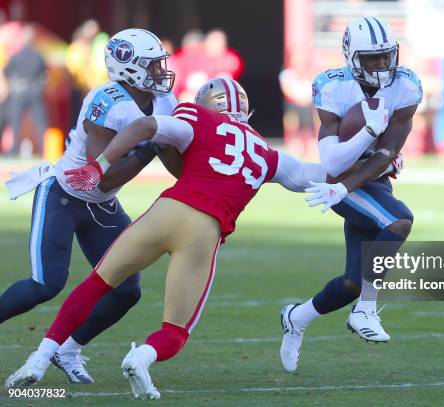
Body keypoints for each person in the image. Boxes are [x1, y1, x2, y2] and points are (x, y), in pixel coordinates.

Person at [5, 77, 326, 399]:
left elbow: (145, 126)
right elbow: (313, 175)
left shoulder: (195, 117)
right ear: (246, 111)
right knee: (174, 332)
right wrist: (368, 164)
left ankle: (41, 356)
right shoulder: (269, 154)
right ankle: (140, 357)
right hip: (203, 231)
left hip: (165, 211)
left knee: (97, 284)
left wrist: (100, 165)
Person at [0, 28, 178, 384]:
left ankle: (67, 349)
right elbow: (103, 177)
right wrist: (152, 146)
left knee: (127, 290)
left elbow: (174, 162)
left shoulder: (164, 101)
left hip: (102, 207)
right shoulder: (107, 100)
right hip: (64, 195)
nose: (161, 71)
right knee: (46, 284)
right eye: (152, 64)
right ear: (128, 68)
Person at [279, 16, 422, 373]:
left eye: (385, 56)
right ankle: (367, 310)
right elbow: (332, 159)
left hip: (366, 181)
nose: (380, 64)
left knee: (351, 283)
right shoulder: (332, 87)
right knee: (399, 221)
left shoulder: (406, 86)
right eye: (370, 57)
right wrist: (364, 137)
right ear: (350, 56)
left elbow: (386, 154)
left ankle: (297, 317)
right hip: (336, 179)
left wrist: (352, 180)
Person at [4, 25, 47, 155]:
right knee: (40, 123)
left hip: (19, 91)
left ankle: (13, 151)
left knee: (15, 122)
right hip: (34, 91)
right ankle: (43, 150)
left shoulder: (16, 56)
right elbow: (44, 75)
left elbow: (7, 72)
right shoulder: (38, 56)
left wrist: (12, 84)